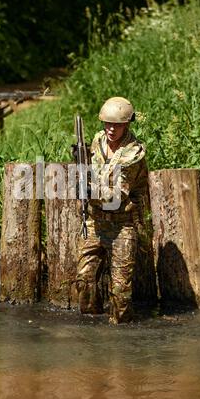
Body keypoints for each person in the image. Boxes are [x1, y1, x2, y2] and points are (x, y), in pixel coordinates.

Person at [76, 96, 148, 325]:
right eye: (107, 123)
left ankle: (122, 340)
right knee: (84, 280)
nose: (111, 129)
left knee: (120, 292)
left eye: (116, 125)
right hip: (95, 220)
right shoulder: (97, 142)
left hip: (123, 223)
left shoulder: (133, 154)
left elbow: (117, 196)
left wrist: (89, 189)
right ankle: (91, 334)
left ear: (127, 124)